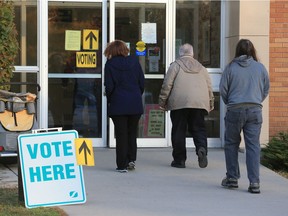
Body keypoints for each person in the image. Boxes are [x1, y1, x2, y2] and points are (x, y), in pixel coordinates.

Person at [219, 39, 270, 193]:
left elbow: (223, 90)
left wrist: (231, 103)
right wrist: (255, 101)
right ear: (252, 51)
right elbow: (266, 88)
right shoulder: (260, 68)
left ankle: (232, 178)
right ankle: (254, 183)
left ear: (237, 51)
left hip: (235, 109)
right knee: (253, 147)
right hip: (255, 111)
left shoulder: (230, 68)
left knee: (231, 144)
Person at [159, 43, 214, 169]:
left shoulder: (175, 66)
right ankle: (201, 148)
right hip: (199, 103)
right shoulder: (201, 67)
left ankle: (179, 160)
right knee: (199, 128)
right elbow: (209, 87)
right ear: (192, 54)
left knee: (179, 130)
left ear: (180, 53)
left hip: (179, 103)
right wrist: (210, 103)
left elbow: (167, 84)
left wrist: (162, 101)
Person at [104, 40, 145, 173]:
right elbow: (141, 82)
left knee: (121, 134)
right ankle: (131, 159)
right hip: (135, 103)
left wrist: (111, 99)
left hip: (118, 103)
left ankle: (121, 165)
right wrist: (137, 95)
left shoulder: (109, 65)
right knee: (132, 132)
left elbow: (109, 86)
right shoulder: (134, 62)